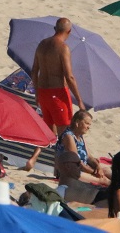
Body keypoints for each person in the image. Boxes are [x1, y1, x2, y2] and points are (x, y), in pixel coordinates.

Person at [24, 17, 86, 171]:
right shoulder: (63, 48)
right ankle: (63, 169)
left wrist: (37, 92)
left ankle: (34, 159)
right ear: (69, 31)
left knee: (48, 130)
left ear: (55, 29)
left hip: (43, 92)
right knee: (65, 133)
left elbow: (34, 70)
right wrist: (79, 100)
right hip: (57, 93)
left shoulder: (42, 44)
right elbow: (69, 76)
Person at [56, 110, 110, 182]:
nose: (88, 127)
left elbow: (89, 157)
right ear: (77, 123)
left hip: (83, 168)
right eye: (87, 123)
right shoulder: (68, 136)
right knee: (103, 180)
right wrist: (94, 172)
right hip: (70, 172)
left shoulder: (80, 136)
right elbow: (77, 162)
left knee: (107, 170)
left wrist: (98, 167)